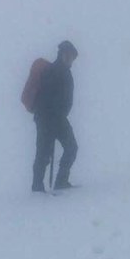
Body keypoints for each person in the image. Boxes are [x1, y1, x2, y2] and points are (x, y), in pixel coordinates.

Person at [32, 40, 79, 192]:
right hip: (46, 119)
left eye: (72, 57)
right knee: (44, 154)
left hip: (58, 119)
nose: (70, 59)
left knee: (71, 147)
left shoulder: (65, 72)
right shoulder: (52, 71)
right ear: (61, 54)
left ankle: (60, 181)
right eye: (68, 56)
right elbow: (45, 99)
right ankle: (37, 188)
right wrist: (50, 117)